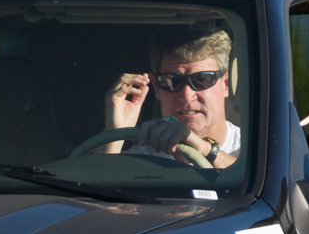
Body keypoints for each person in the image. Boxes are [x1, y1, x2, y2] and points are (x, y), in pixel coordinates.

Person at [100, 26, 240, 169]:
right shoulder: (140, 159)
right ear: (157, 88)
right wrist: (114, 135)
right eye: (171, 81)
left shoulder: (253, 149)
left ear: (226, 84)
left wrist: (205, 150)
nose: (187, 95)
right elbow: (98, 187)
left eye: (201, 80)